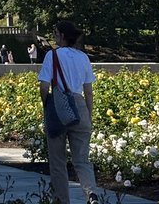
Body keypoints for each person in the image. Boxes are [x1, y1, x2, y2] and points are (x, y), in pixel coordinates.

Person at [38, 21, 98, 204]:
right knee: (82, 160)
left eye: (56, 33)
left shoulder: (52, 55)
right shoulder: (83, 57)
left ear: (62, 35)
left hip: (59, 105)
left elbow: (44, 86)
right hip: (79, 105)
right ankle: (91, 194)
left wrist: (47, 104)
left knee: (58, 162)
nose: (54, 36)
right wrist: (88, 114)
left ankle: (62, 200)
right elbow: (88, 91)